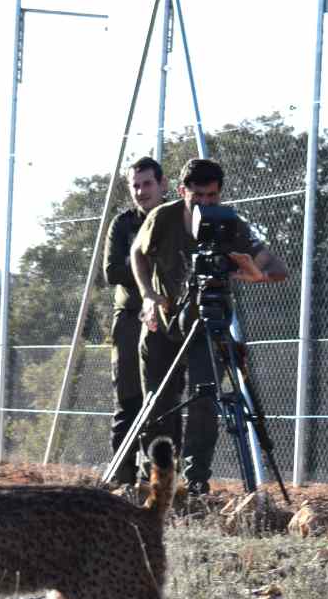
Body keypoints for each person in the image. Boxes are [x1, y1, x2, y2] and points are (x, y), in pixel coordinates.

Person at [130, 158, 288, 495]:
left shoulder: (230, 224)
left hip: (208, 321)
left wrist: (255, 273)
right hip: (164, 322)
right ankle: (156, 477)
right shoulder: (163, 217)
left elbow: (276, 268)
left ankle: (196, 480)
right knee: (158, 402)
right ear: (182, 190)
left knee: (205, 399)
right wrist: (147, 296)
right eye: (197, 195)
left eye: (212, 196)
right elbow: (137, 254)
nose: (205, 203)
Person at [102, 156, 167, 485]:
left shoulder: (176, 219)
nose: (141, 191)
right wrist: (151, 268)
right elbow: (112, 271)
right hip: (130, 318)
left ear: (163, 185)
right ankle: (121, 481)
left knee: (162, 401)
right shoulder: (123, 223)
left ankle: (154, 478)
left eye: (147, 184)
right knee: (128, 401)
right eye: (135, 185)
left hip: (169, 319)